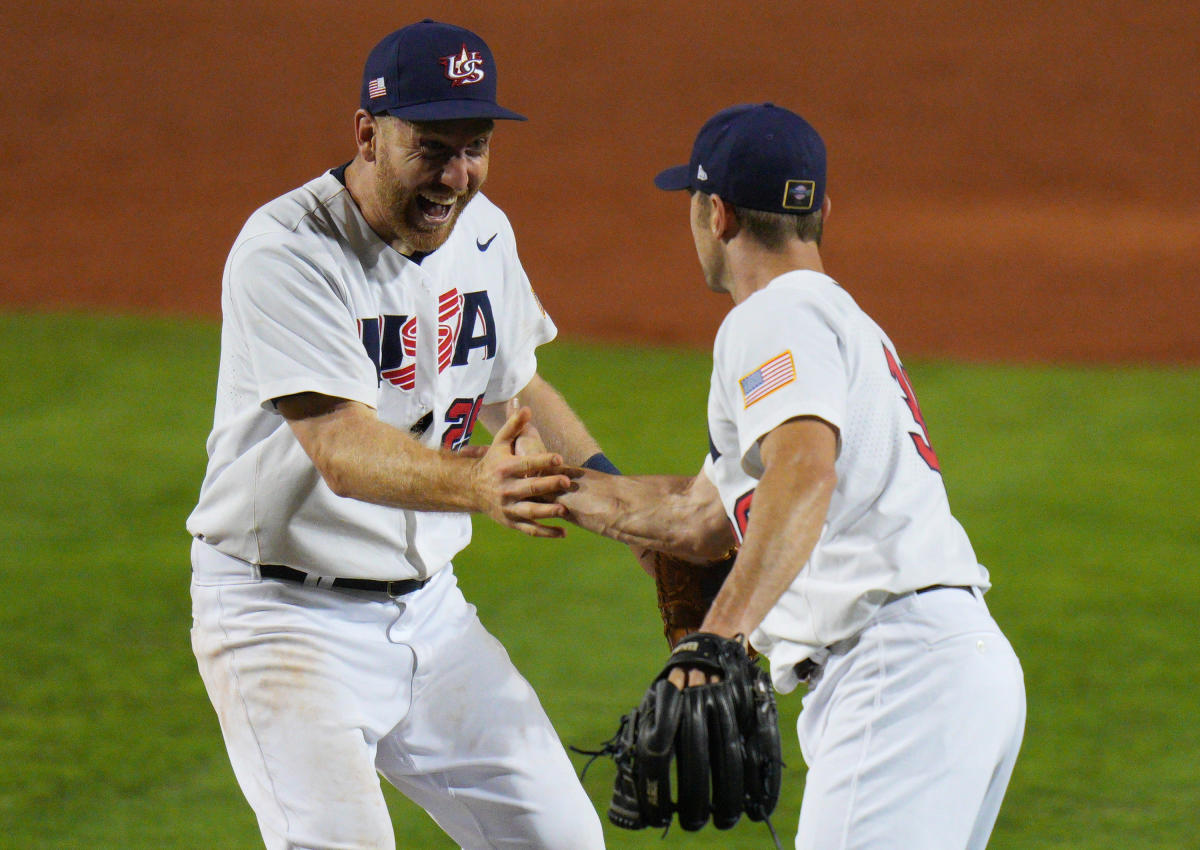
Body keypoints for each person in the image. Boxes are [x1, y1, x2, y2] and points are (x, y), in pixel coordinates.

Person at [186, 20, 610, 849]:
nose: (457, 176)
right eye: (432, 147)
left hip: (431, 616)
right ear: (367, 134)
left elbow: (514, 387)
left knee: (563, 841)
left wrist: (623, 506)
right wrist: (479, 484)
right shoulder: (288, 251)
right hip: (282, 617)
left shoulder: (486, 234)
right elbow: (342, 449)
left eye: (475, 146)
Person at [557, 103, 1026, 848]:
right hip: (949, 666)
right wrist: (539, 487)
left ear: (717, 215)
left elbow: (806, 471)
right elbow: (699, 520)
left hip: (899, 675)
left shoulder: (772, 317)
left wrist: (716, 642)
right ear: (821, 211)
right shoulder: (835, 320)